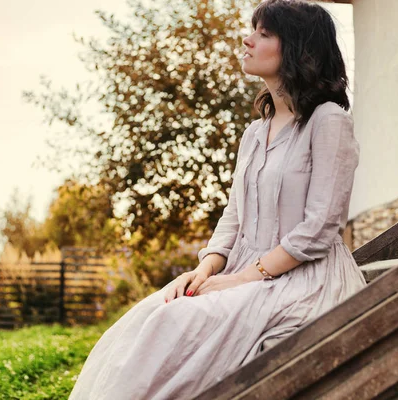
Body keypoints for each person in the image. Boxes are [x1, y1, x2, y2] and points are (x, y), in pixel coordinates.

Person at [69, 0, 366, 398]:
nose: (247, 40)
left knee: (173, 327)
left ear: (296, 47)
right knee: (146, 319)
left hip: (303, 280)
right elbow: (234, 215)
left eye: (263, 33)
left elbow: (321, 228)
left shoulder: (328, 121)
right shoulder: (254, 134)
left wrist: (242, 279)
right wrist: (206, 270)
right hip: (247, 273)